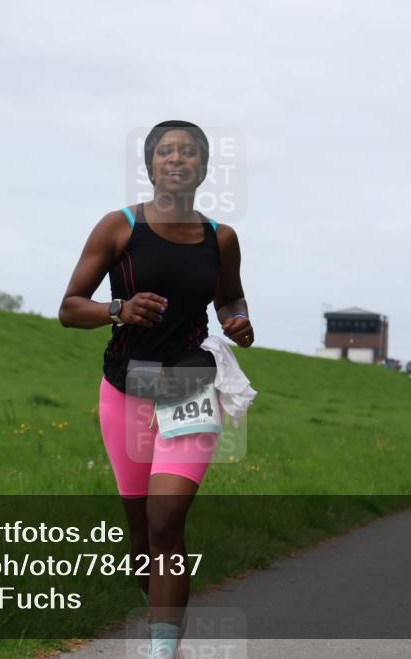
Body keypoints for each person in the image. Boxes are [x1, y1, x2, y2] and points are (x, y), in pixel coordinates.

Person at [58, 121, 253, 659]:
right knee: (142, 535)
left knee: (166, 523)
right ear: (149, 166)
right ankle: (161, 626)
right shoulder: (118, 227)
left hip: (190, 383)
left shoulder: (220, 238)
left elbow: (230, 297)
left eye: (188, 152)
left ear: (204, 168)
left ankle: (161, 651)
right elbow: (70, 308)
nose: (176, 158)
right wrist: (117, 309)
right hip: (127, 387)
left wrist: (237, 320)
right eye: (165, 151)